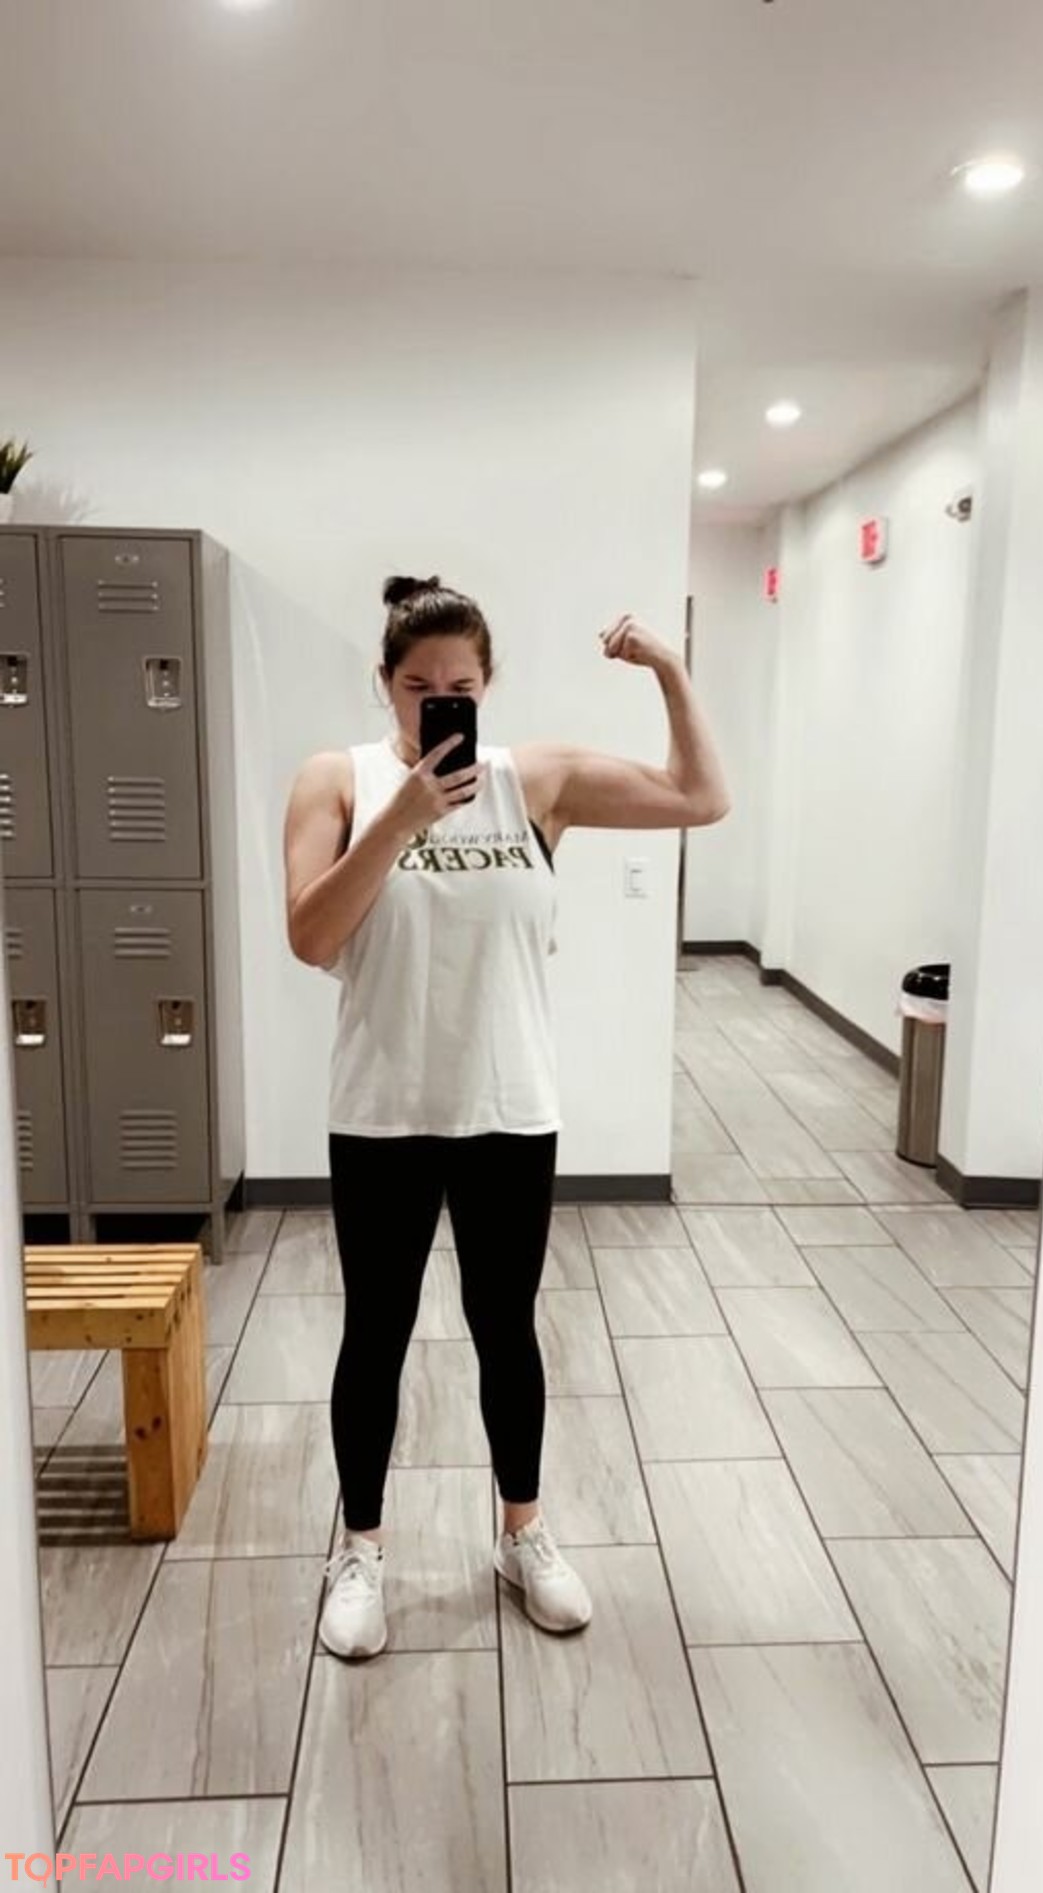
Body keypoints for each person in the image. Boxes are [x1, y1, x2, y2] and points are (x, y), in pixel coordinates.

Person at [283, 574, 731, 1660]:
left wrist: (671, 669)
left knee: (506, 1329)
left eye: (461, 686)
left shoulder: (536, 782)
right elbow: (311, 935)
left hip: (508, 1109)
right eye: (417, 685)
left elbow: (701, 796)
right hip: (381, 1111)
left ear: (488, 685)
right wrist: (400, 817)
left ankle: (522, 1533)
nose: (439, 702)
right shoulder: (336, 779)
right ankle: (361, 1549)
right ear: (385, 683)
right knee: (375, 1333)